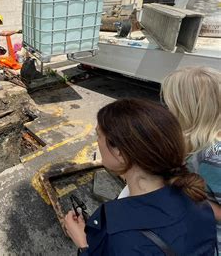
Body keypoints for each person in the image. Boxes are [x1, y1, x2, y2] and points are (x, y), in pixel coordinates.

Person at [64, 98, 217, 255]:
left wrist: (83, 243)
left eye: (99, 135)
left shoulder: (120, 237)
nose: (97, 141)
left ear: (120, 152)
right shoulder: (198, 200)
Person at [161, 66, 221, 252]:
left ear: (188, 111)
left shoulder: (213, 157)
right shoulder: (201, 143)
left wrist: (178, 193)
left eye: (169, 105)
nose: (164, 111)